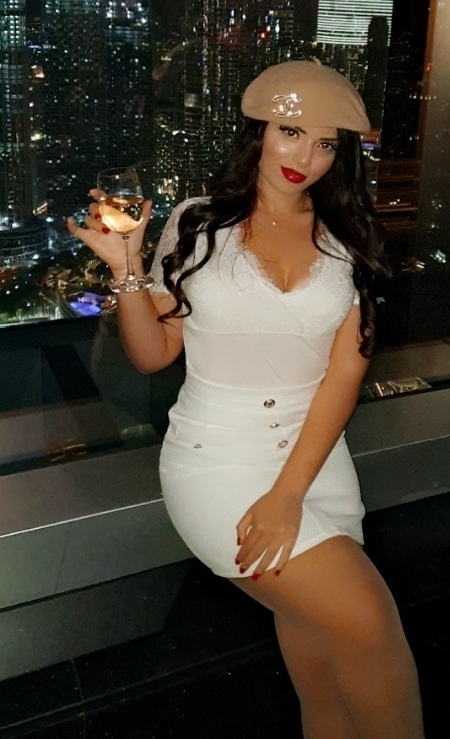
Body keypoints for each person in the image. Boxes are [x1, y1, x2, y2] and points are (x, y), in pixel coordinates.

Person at [67, 59, 424, 739]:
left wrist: (290, 492)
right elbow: (153, 353)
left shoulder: (346, 235)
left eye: (325, 143)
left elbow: (342, 378)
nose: (305, 157)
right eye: (290, 131)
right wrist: (127, 270)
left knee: (324, 660)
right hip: (218, 461)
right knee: (369, 624)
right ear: (258, 131)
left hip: (315, 462)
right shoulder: (196, 223)